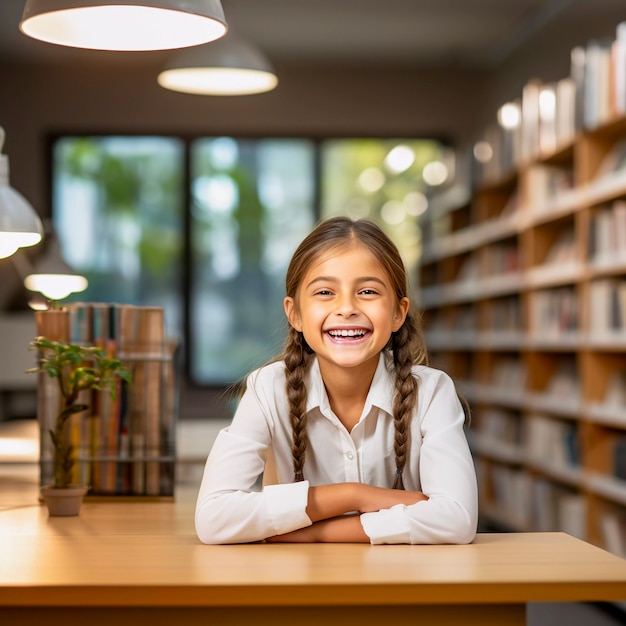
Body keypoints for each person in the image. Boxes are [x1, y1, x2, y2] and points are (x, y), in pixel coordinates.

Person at [195, 216, 478, 544]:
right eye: (325, 292)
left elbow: (457, 520)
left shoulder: (431, 392)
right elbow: (213, 518)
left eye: (368, 291)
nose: (346, 308)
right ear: (295, 313)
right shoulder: (266, 388)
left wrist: (314, 533)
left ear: (398, 313)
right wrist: (354, 496)